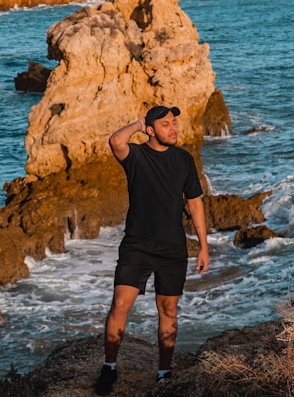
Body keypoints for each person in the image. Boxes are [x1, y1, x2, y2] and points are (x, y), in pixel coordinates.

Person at [94, 105, 209, 395]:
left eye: (174, 124)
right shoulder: (136, 157)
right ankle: (109, 366)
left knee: (168, 310)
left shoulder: (183, 159)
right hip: (137, 245)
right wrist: (137, 123)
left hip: (172, 248)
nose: (174, 128)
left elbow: (194, 201)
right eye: (166, 124)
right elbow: (116, 141)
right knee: (120, 304)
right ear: (151, 129)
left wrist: (204, 246)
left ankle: (164, 371)